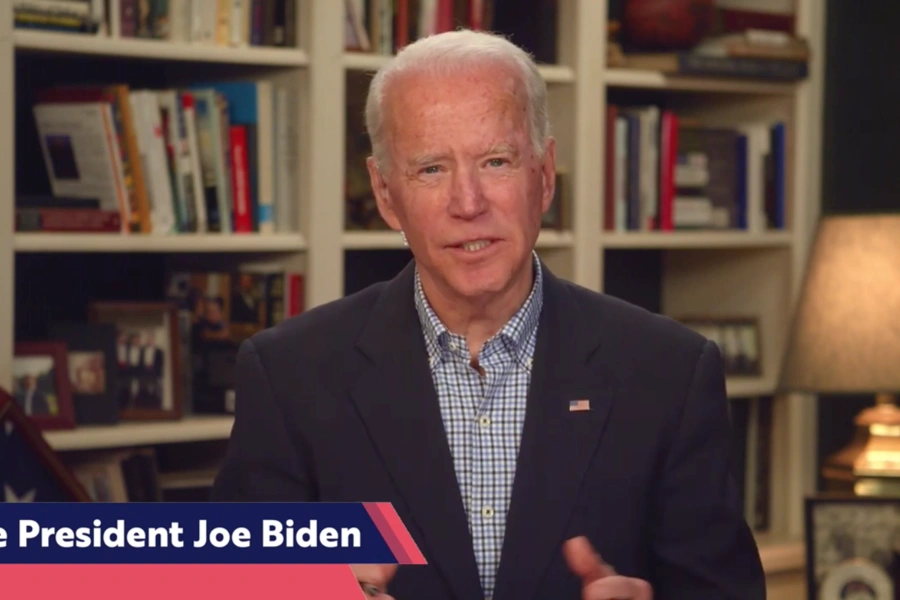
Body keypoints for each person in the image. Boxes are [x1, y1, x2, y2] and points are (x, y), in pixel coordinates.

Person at [210, 28, 765, 600]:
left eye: (496, 161)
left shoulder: (670, 373)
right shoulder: (290, 376)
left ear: (544, 175)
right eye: (431, 169)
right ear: (384, 193)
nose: (468, 203)